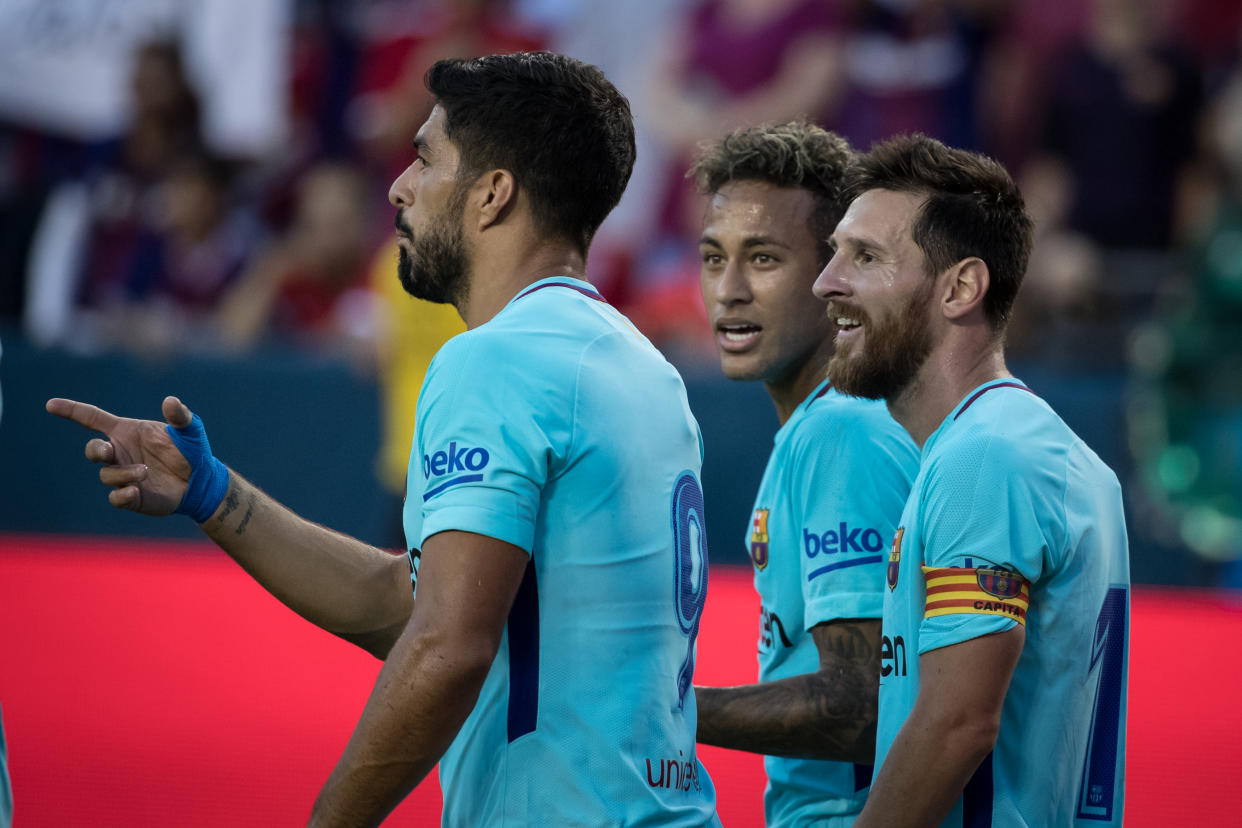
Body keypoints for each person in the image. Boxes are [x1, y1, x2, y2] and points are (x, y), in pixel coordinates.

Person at [48, 51, 718, 828]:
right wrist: (214, 495)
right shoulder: (644, 367)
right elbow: (408, 605)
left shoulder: (495, 358)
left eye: (425, 157)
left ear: (493, 193)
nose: (399, 187)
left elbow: (447, 647)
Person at [812, 133, 1130, 827]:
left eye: (865, 257)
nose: (826, 281)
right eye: (837, 252)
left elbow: (958, 725)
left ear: (961, 287)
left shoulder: (985, 456)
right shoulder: (1027, 446)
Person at [690, 121, 918, 827]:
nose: (728, 290)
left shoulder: (841, 430)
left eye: (762, 259)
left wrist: (642, 708)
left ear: (834, 278)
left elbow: (857, 708)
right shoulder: (828, 423)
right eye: (711, 257)